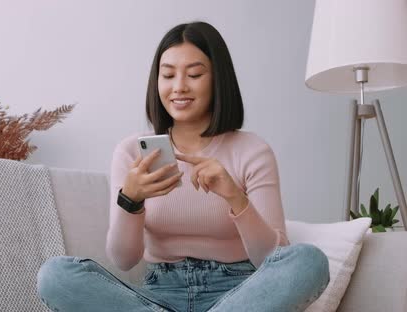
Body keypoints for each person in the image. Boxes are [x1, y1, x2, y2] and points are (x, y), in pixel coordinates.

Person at [37, 21, 330, 312]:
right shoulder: (131, 152)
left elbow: (272, 259)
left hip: (238, 295)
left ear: (218, 79)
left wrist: (235, 198)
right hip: (158, 295)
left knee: (309, 261)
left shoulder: (252, 151)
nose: (179, 87)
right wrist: (131, 200)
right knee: (56, 276)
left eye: (194, 74)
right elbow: (124, 259)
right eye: (168, 75)